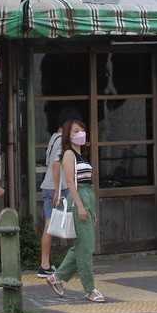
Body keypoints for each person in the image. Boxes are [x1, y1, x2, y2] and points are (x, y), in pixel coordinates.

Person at [45, 118, 104, 303]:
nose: (81, 134)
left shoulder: (80, 155)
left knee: (81, 245)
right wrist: (80, 206)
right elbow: (70, 182)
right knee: (86, 247)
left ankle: (57, 277)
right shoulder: (69, 154)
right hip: (78, 198)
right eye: (76, 131)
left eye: (82, 130)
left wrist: (89, 208)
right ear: (68, 136)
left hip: (86, 197)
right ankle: (89, 289)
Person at [38, 112, 79, 280]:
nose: (78, 133)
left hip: (49, 186)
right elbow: (56, 164)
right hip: (60, 188)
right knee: (73, 224)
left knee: (50, 225)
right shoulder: (63, 142)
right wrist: (57, 190)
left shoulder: (53, 137)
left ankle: (45, 265)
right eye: (76, 130)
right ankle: (74, 264)